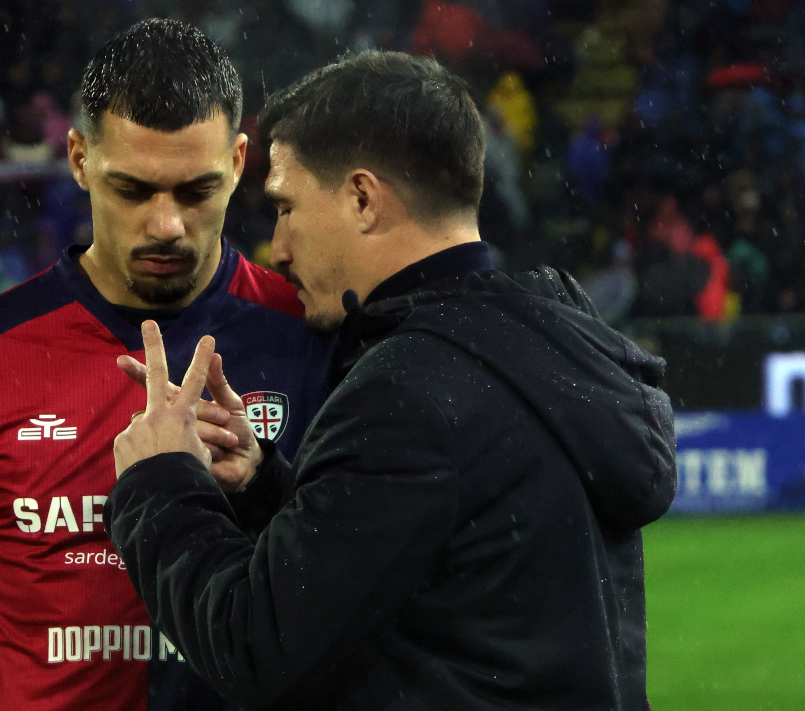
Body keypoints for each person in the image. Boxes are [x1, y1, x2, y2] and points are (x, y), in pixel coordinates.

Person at [106, 51, 679, 710]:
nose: (278, 248)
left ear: (361, 198)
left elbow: (256, 649)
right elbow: (429, 567)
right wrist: (267, 488)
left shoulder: (408, 391)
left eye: (287, 207)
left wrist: (160, 484)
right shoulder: (547, 343)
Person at [0, 19, 331, 710]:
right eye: (132, 190)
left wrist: (262, 486)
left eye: (195, 191)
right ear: (78, 159)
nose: (166, 225)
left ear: (238, 162)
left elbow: (371, 599)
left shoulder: (315, 335)